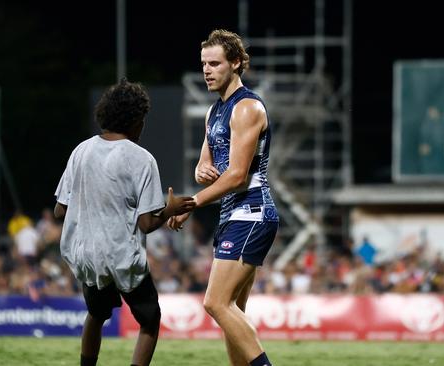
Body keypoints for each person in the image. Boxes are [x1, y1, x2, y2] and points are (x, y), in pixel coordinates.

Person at [53, 78, 195, 366]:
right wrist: (170, 209)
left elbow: (59, 211)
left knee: (96, 315)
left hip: (87, 256)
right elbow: (146, 224)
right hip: (121, 256)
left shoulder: (81, 151)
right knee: (149, 320)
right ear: (136, 121)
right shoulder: (142, 159)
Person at [169, 29, 279, 366]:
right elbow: (207, 161)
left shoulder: (246, 108)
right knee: (233, 312)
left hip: (252, 211)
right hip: (234, 214)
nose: (206, 70)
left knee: (215, 303)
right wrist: (202, 168)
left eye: (214, 63)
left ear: (235, 63)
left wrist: (192, 203)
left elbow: (236, 175)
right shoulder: (213, 112)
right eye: (203, 64)